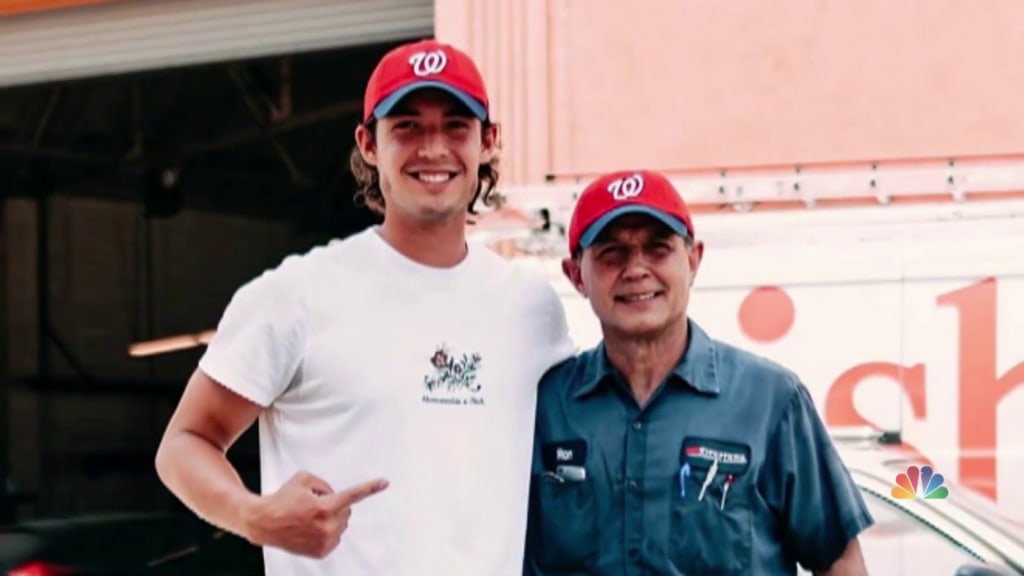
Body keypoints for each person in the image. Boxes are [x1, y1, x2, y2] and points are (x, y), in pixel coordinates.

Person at [154, 38, 575, 576]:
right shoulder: (297, 296)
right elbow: (184, 443)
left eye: (455, 125)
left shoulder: (531, 307)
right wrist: (254, 516)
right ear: (368, 144)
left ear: (488, 142)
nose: (433, 148)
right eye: (407, 126)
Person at [523, 169, 874, 575]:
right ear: (575, 274)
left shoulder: (770, 401)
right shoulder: (543, 408)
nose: (636, 269)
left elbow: (839, 561)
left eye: (657, 249)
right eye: (612, 253)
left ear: (693, 260)